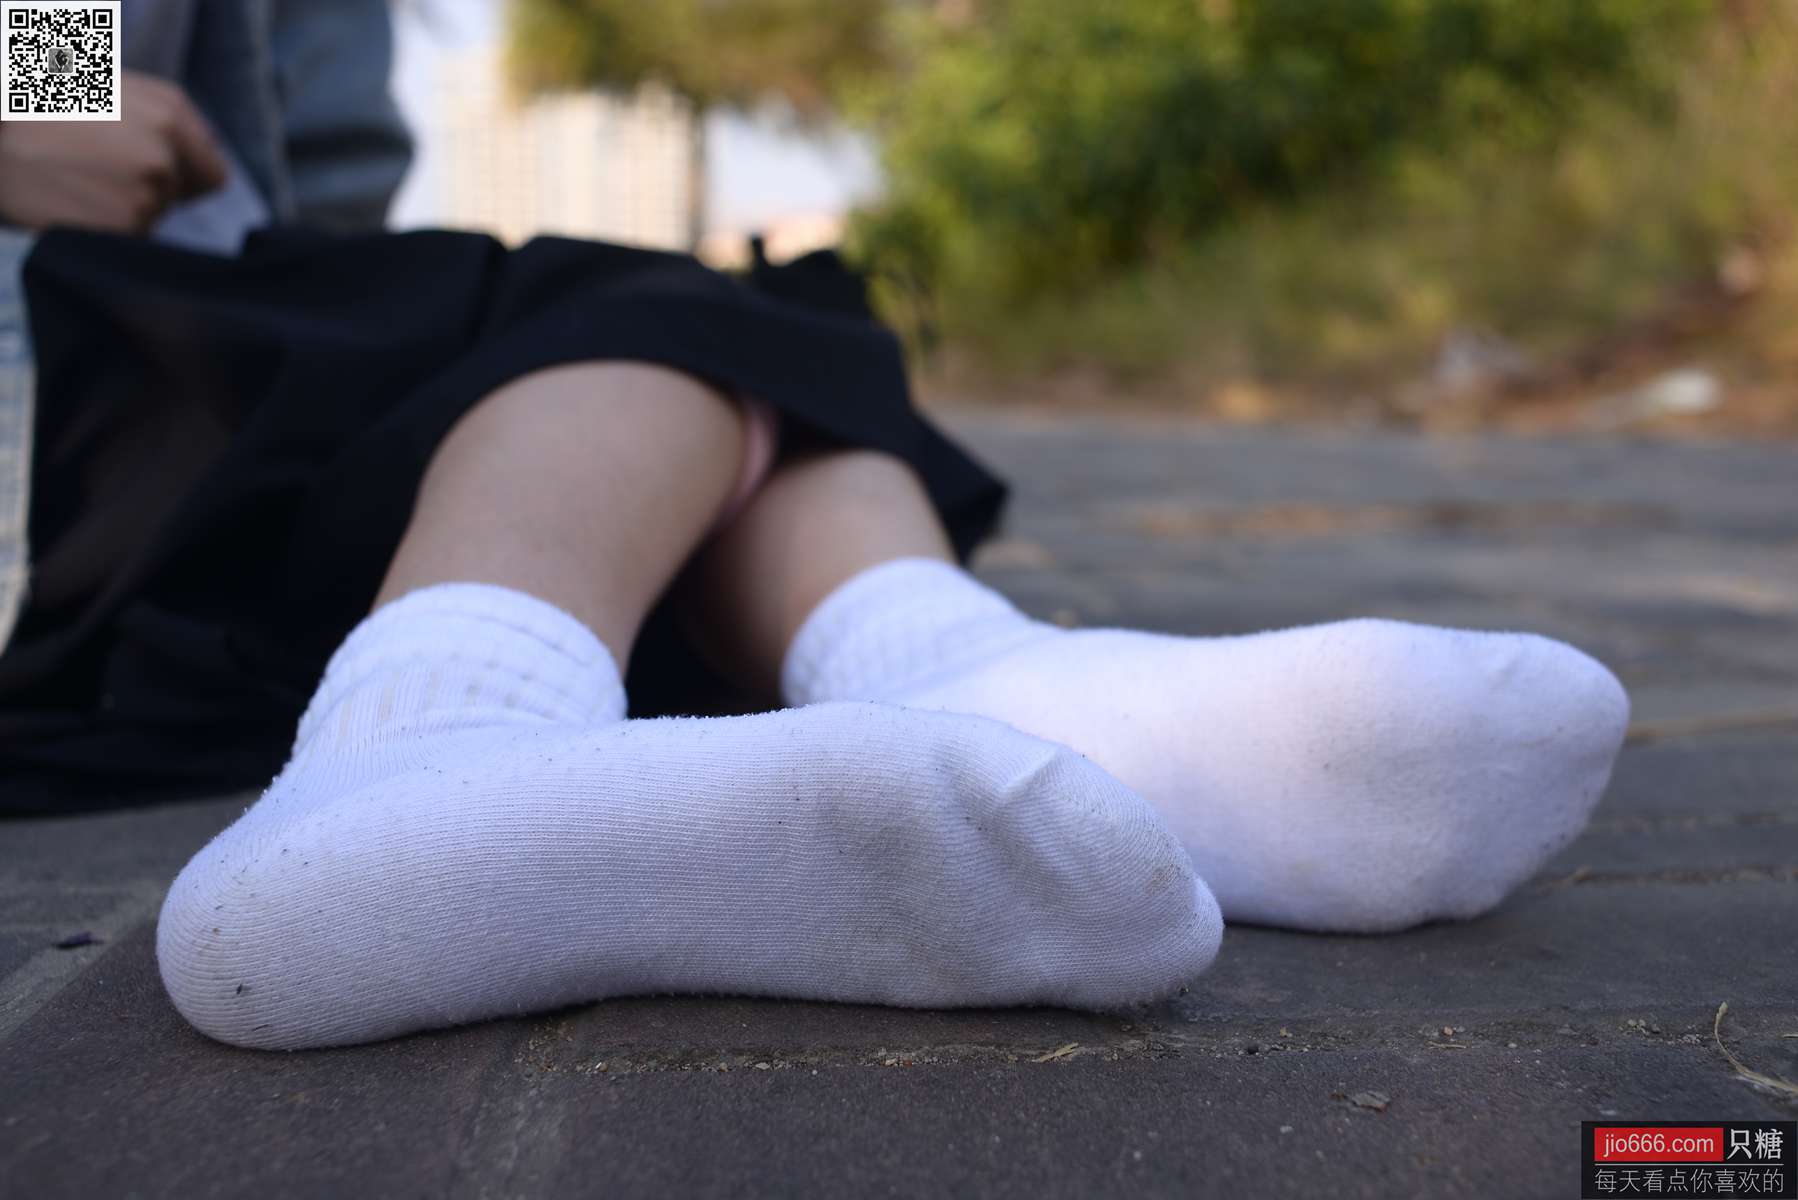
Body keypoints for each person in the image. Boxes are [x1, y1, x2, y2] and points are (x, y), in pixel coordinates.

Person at [0, 5, 1630, 1052]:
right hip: (77, 404)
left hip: (221, 388)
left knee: (722, 344)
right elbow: (70, 88)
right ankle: (416, 747)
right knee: (636, 312)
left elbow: (317, 179)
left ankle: (960, 678)